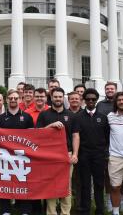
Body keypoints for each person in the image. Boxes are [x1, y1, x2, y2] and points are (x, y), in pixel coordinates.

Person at [37, 87, 79, 215]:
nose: (58, 99)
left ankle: (65, 213)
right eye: (55, 97)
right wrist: (51, 126)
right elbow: (38, 134)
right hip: (49, 155)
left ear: (63, 98)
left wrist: (75, 154)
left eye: (60, 97)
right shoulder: (44, 114)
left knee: (66, 185)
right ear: (51, 98)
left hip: (67, 154)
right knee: (51, 185)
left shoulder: (71, 115)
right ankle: (51, 212)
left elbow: (75, 135)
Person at [0, 89, 35, 215]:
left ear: (20, 100)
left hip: (22, 156)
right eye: (10, 98)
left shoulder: (27, 117)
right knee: (5, 182)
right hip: (5, 157)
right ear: (7, 100)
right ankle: (6, 210)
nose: (13, 100)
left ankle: (25, 210)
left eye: (15, 98)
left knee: (23, 182)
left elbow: (33, 137)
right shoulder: (0, 118)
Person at [75, 88, 109, 215]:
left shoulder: (103, 117)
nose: (90, 101)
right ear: (84, 100)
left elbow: (107, 136)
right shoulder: (78, 117)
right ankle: (85, 210)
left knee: (99, 183)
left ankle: (99, 209)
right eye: (88, 99)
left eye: (93, 99)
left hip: (99, 155)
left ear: (96, 100)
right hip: (83, 155)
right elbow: (76, 136)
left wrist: (103, 152)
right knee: (85, 184)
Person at [96, 81, 117, 211]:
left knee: (117, 175)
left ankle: (119, 200)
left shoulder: (121, 101)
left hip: (118, 143)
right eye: (107, 89)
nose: (109, 90)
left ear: (115, 89)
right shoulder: (100, 105)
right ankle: (108, 200)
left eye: (111, 88)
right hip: (103, 143)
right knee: (106, 175)